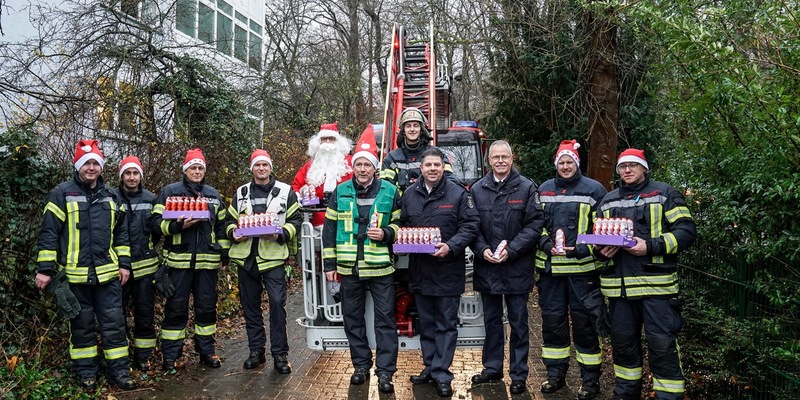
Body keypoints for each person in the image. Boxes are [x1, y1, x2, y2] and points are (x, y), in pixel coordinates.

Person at [34, 140, 136, 390]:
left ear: (101, 167)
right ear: (78, 165)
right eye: (87, 163)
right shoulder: (62, 193)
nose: (91, 168)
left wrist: (124, 264)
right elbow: (49, 233)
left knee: (114, 325)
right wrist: (45, 269)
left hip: (108, 276)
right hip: (76, 276)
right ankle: (86, 373)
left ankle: (119, 372)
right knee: (81, 326)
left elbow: (121, 234)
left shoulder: (112, 196)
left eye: (96, 164)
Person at [595, 148, 697, 400]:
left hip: (657, 290)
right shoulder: (608, 201)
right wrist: (600, 251)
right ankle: (625, 394)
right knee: (623, 349)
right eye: (622, 166)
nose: (627, 170)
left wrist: (650, 246)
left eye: (632, 165)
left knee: (662, 348)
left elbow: (686, 231)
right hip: (619, 292)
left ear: (644, 168)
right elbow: (594, 238)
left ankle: (668, 396)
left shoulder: (664, 194)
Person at [321, 133, 401, 393]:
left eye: (367, 164)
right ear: (353, 167)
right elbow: (329, 230)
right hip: (348, 267)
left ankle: (386, 372)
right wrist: (329, 265)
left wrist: (388, 233)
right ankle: (360, 366)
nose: (363, 169)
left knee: (385, 320)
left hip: (381, 268)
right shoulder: (341, 191)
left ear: (375, 167)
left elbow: (400, 224)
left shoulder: (390, 191)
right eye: (359, 164)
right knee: (352, 318)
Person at [401, 148, 479, 397]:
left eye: (437, 164)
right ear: (420, 168)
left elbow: (471, 225)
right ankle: (430, 367)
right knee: (427, 322)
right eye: (428, 165)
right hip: (421, 271)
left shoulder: (457, 194)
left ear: (444, 167)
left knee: (446, 324)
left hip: (447, 270)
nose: (433, 169)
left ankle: (442, 373)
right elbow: (403, 225)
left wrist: (451, 246)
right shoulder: (410, 194)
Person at [469, 140, 544, 395]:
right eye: (495, 157)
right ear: (488, 160)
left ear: (512, 158)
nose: (500, 161)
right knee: (491, 321)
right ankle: (492, 368)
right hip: (488, 267)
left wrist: (511, 251)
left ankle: (519, 373)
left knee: (519, 323)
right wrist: (482, 250)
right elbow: (471, 227)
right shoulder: (477, 189)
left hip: (516, 267)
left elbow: (535, 225)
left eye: (505, 157)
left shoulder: (526, 188)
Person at [534, 140, 608, 399]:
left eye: (570, 162)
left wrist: (579, 249)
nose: (565, 166)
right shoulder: (543, 190)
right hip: (551, 271)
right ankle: (555, 376)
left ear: (577, 164)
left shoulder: (595, 190)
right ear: (556, 164)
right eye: (561, 162)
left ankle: (590, 381)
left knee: (585, 327)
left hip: (583, 272)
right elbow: (536, 224)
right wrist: (545, 244)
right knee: (552, 326)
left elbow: (601, 230)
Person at [150, 148, 231, 374]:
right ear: (185, 170)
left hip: (207, 264)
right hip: (178, 263)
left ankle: (206, 351)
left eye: (200, 168)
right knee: (175, 310)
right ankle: (170, 356)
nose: (197, 171)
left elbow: (222, 227)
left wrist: (224, 254)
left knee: (206, 310)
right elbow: (155, 223)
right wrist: (177, 226)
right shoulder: (169, 192)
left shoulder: (213, 195)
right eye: (193, 168)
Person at [227, 149, 300, 373]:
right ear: (252, 169)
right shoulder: (240, 192)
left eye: (265, 165)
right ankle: (256, 352)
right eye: (257, 165)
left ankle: (280, 355)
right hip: (246, 257)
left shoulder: (286, 192)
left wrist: (280, 234)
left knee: (277, 305)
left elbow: (295, 220)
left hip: (273, 258)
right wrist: (233, 233)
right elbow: (228, 221)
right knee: (250, 308)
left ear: (270, 167)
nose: (261, 169)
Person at [112, 156, 161, 372]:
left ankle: (143, 356)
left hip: (145, 268)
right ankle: (120, 358)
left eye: (135, 173)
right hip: (116, 269)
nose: (132, 177)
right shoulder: (110, 197)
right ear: (121, 175)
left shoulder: (151, 199)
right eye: (128, 173)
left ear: (141, 175)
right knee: (116, 315)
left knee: (144, 314)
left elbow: (156, 232)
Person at [380, 107, 457, 192]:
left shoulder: (436, 155)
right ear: (403, 131)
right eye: (408, 126)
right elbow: (385, 189)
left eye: (416, 126)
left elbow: (451, 180)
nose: (412, 129)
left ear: (421, 130)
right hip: (402, 205)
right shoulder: (392, 158)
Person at [291, 122, 353, 226]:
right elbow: (296, 186)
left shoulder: (349, 163)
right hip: (317, 219)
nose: (328, 142)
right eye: (324, 139)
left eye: (331, 139)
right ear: (318, 142)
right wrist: (301, 195)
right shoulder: (310, 166)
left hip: (346, 218)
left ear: (338, 142)